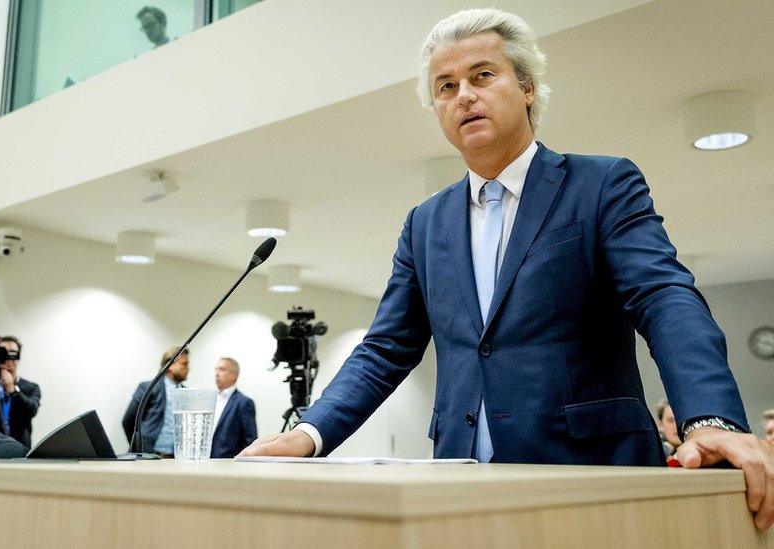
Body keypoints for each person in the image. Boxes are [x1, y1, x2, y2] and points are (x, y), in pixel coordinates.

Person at [239, 8, 774, 530]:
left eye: (482, 75)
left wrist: (709, 418)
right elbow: (385, 347)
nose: (463, 95)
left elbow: (664, 298)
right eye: (445, 87)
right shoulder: (424, 224)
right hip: (457, 491)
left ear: (527, 88)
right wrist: (310, 434)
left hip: (593, 484)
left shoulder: (601, 185)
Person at [122, 347, 189, 457]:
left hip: (175, 458)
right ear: (170, 365)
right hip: (148, 456)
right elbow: (128, 421)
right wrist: (139, 447)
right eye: (184, 364)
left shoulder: (187, 393)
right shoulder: (148, 388)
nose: (188, 368)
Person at [0, 336, 41, 449]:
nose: (8, 360)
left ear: (18, 358)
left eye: (12, 354)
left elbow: (31, 411)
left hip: (21, 447)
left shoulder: (30, 387)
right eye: (3, 354)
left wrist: (12, 390)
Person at [210, 358, 257, 458]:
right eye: (216, 369)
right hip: (207, 462)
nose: (217, 373)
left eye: (222, 369)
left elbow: (250, 440)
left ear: (234, 375)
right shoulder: (210, 399)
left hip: (229, 464)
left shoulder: (244, 402)